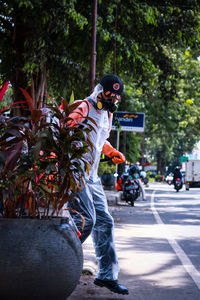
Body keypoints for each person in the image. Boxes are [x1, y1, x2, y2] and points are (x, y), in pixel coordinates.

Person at [64, 75, 129, 295]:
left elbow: (100, 141)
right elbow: (64, 130)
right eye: (109, 96)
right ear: (100, 91)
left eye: (115, 98)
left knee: (105, 221)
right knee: (86, 220)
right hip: (76, 172)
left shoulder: (107, 114)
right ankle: (61, 259)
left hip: (92, 176)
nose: (112, 101)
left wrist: (111, 152)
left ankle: (106, 276)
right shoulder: (84, 107)